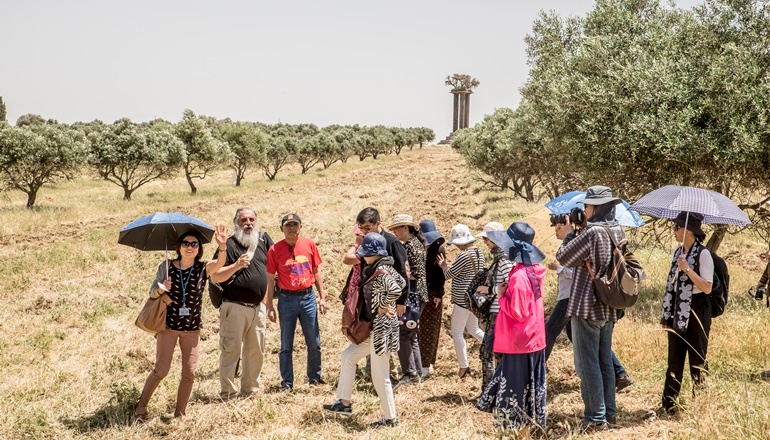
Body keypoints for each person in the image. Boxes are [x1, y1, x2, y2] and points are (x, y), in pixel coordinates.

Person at [134, 225, 228, 420]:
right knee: (161, 371)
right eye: (185, 243)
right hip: (168, 327)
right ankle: (140, 407)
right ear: (179, 247)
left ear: (199, 248)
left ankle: (180, 414)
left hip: (192, 329)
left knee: (189, 373)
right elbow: (152, 293)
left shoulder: (202, 268)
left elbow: (220, 262)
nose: (190, 247)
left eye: (194, 244)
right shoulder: (167, 266)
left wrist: (222, 245)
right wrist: (162, 288)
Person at [556, 186, 624, 431]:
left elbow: (563, 257)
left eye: (586, 206)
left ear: (595, 207)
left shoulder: (591, 232)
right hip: (609, 304)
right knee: (604, 361)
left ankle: (595, 418)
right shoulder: (617, 229)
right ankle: (609, 414)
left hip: (586, 306)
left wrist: (571, 233)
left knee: (587, 364)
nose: (584, 211)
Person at [323, 232, 406, 428]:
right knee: (348, 356)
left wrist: (384, 304)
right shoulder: (383, 266)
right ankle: (344, 402)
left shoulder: (381, 271)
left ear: (372, 253)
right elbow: (402, 282)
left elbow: (397, 289)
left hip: (381, 330)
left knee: (380, 376)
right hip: (375, 329)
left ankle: (391, 419)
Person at [477, 222, 547, 435]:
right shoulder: (533, 270)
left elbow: (518, 311)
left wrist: (500, 295)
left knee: (514, 397)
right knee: (527, 394)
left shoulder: (519, 276)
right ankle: (524, 435)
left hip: (518, 344)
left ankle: (521, 436)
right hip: (532, 340)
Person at [210, 208, 274, 400]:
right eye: (243, 220)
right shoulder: (228, 245)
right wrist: (236, 265)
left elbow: (270, 273)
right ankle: (228, 394)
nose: (248, 223)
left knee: (255, 352)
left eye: (251, 219)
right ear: (236, 223)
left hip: (258, 309)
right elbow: (215, 276)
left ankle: (250, 391)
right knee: (231, 351)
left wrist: (266, 301)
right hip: (234, 307)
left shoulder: (262, 243)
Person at [265, 213, 327, 391]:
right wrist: (269, 306)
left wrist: (322, 297)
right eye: (288, 225)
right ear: (281, 229)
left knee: (314, 341)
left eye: (294, 225)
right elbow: (270, 279)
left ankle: (315, 377)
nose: (291, 228)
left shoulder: (310, 244)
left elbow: (316, 272)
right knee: (286, 344)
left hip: (308, 298)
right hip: (286, 300)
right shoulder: (274, 250)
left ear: (300, 227)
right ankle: (287, 382)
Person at [659, 211, 713, 414]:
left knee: (697, 360)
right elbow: (671, 285)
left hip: (697, 309)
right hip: (677, 309)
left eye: (677, 227)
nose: (674, 230)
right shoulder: (678, 252)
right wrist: (666, 315)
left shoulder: (703, 254)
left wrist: (688, 270)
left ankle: (701, 406)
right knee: (674, 359)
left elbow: (707, 287)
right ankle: (669, 405)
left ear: (688, 230)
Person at [438, 224, 486, 378]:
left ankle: (463, 366)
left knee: (457, 332)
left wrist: (444, 266)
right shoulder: (480, 253)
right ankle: (495, 349)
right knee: (474, 329)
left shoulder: (463, 255)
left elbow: (448, 275)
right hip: (475, 297)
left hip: (462, 298)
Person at [387, 214, 428, 389]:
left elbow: (414, 274)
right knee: (411, 335)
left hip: (412, 295)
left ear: (405, 228)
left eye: (397, 228)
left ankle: (410, 373)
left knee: (403, 334)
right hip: (417, 295)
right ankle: (417, 372)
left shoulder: (410, 246)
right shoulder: (416, 244)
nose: (395, 232)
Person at [475, 222, 513, 392]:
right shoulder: (500, 257)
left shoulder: (503, 259)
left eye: (486, 238)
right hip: (497, 310)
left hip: (499, 311)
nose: (484, 241)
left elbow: (510, 284)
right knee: (494, 352)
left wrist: (489, 290)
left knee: (488, 352)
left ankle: (490, 392)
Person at [417, 219, 446, 376]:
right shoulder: (416, 248)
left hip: (433, 294)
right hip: (418, 293)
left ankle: (426, 364)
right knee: (417, 329)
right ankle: (419, 362)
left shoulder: (439, 249)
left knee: (430, 329)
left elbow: (441, 274)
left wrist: (439, 293)